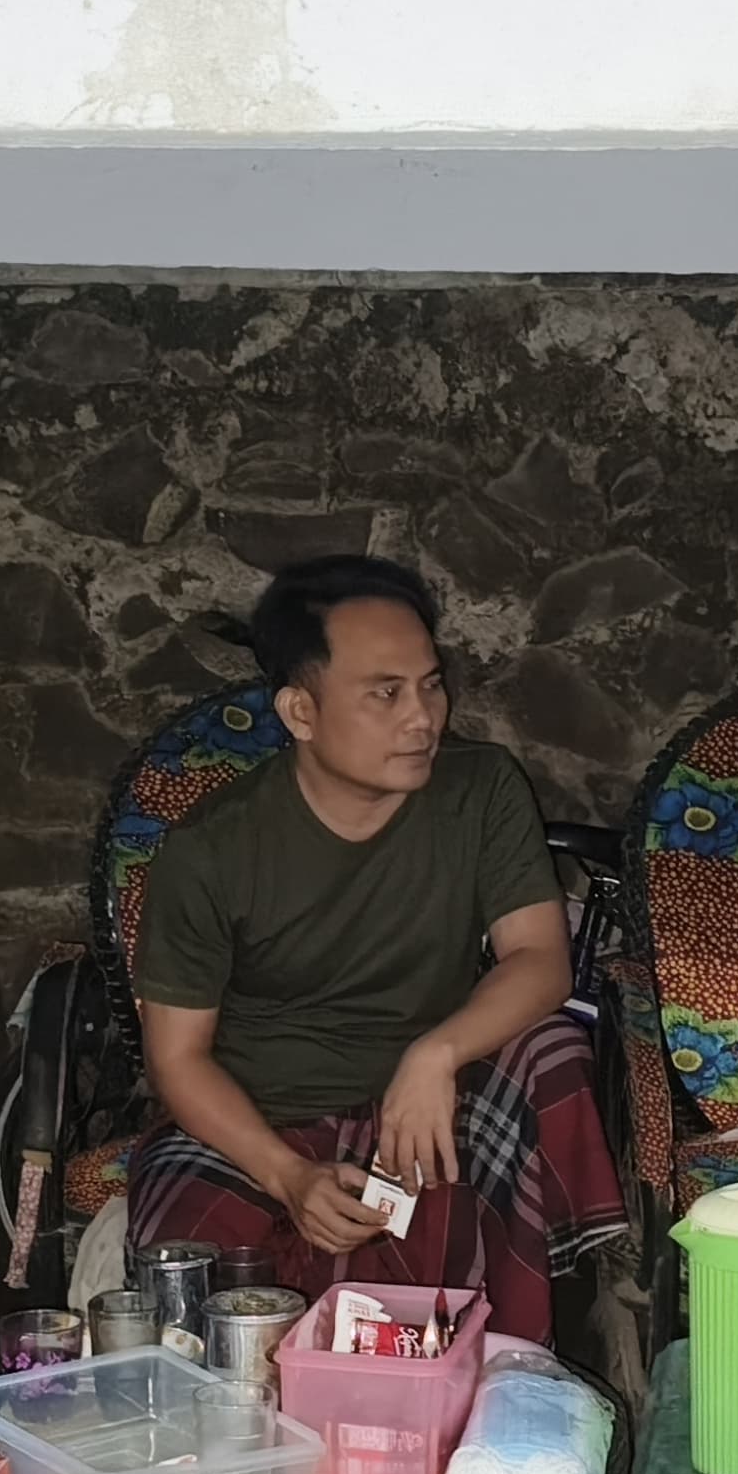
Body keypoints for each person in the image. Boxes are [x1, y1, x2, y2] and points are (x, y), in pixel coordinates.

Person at [124, 556, 624, 1342]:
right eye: (385, 693)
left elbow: (539, 959)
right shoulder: (211, 850)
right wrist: (289, 1176)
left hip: (422, 1111)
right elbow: (177, 1059)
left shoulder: (481, 790)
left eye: (431, 685)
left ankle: (513, 1369)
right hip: (260, 1121)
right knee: (196, 1296)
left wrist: (434, 1055)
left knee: (551, 1049)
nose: (423, 718)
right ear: (301, 711)